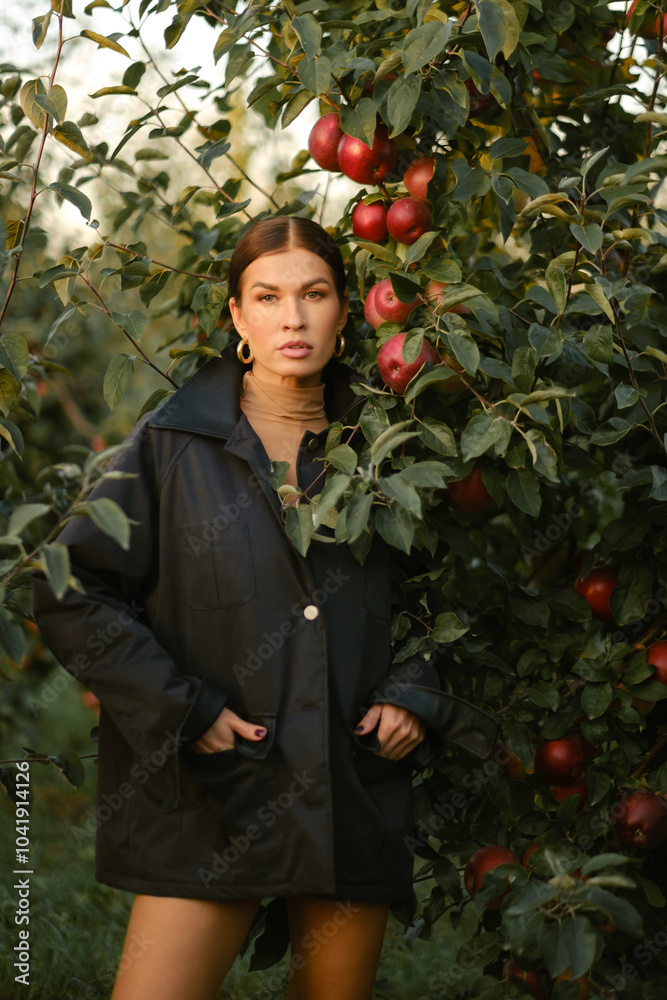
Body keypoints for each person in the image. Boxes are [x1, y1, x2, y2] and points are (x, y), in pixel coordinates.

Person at [31, 216, 498, 1000]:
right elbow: (69, 586)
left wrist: (414, 693)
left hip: (349, 777)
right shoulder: (171, 443)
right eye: (268, 296)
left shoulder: (393, 444)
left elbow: (446, 591)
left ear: (345, 311)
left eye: (314, 293)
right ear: (236, 316)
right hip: (214, 792)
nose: (293, 317)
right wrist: (182, 711)